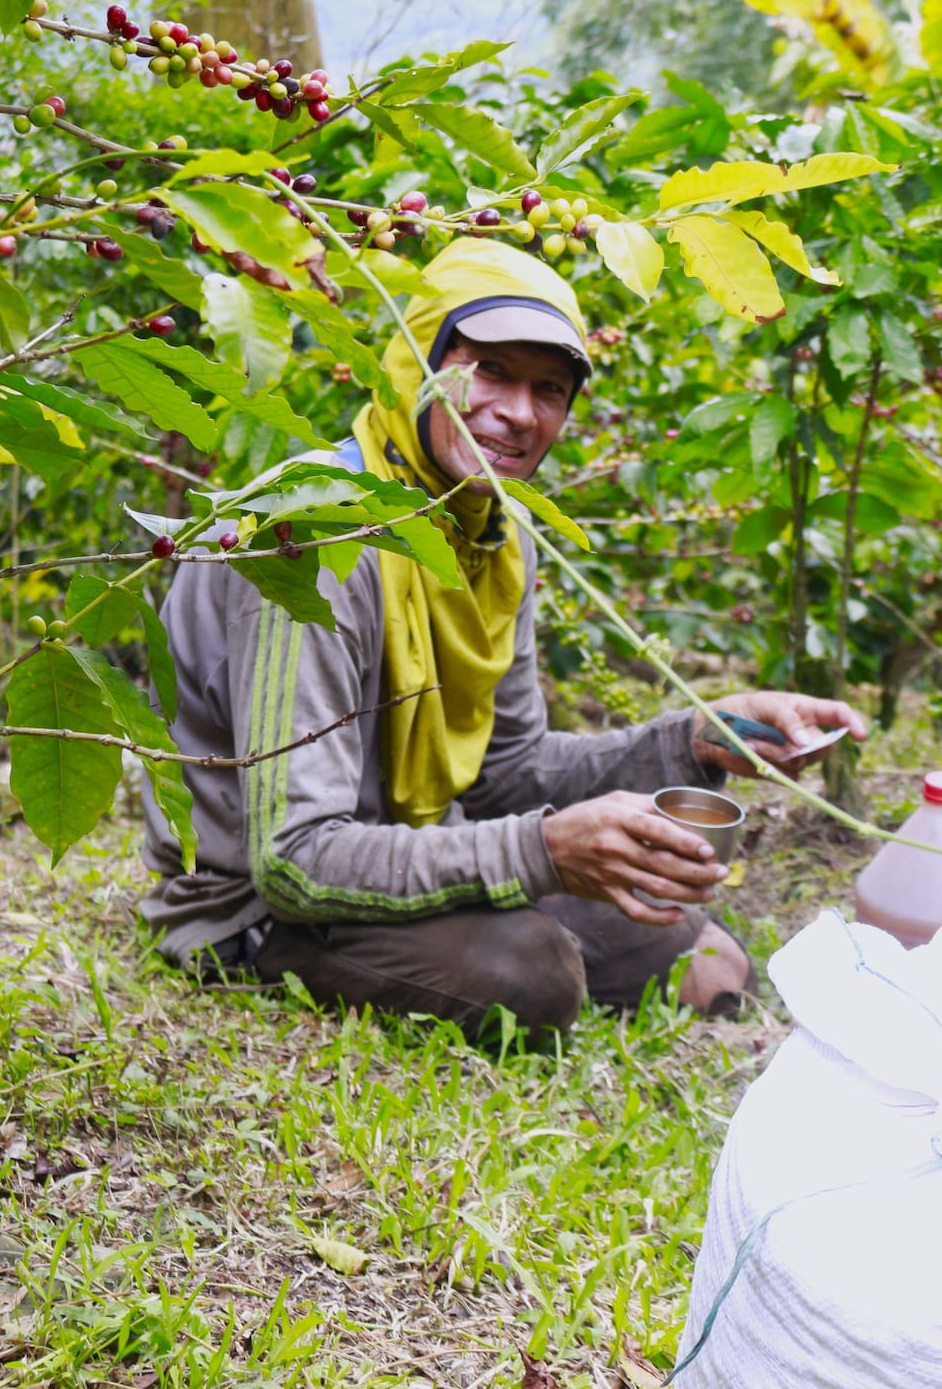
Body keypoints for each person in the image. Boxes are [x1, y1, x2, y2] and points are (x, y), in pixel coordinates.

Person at [140, 240, 865, 1039]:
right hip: (256, 910)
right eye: (488, 370)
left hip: (409, 853)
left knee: (704, 963)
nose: (520, 413)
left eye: (548, 389)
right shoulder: (317, 537)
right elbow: (293, 861)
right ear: (417, 364)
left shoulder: (491, 533)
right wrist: (546, 853)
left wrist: (696, 740)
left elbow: (508, 774)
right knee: (534, 975)